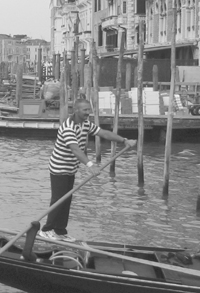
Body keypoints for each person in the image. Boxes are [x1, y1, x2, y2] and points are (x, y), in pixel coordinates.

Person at [40, 99, 137, 242]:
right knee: (58, 199)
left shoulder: (85, 124)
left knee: (67, 199)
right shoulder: (68, 127)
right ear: (76, 110)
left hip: (71, 168)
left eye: (89, 110)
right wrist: (91, 165)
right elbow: (75, 149)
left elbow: (103, 133)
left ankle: (60, 231)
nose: (88, 113)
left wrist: (124, 140)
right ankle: (46, 230)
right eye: (85, 110)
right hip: (59, 167)